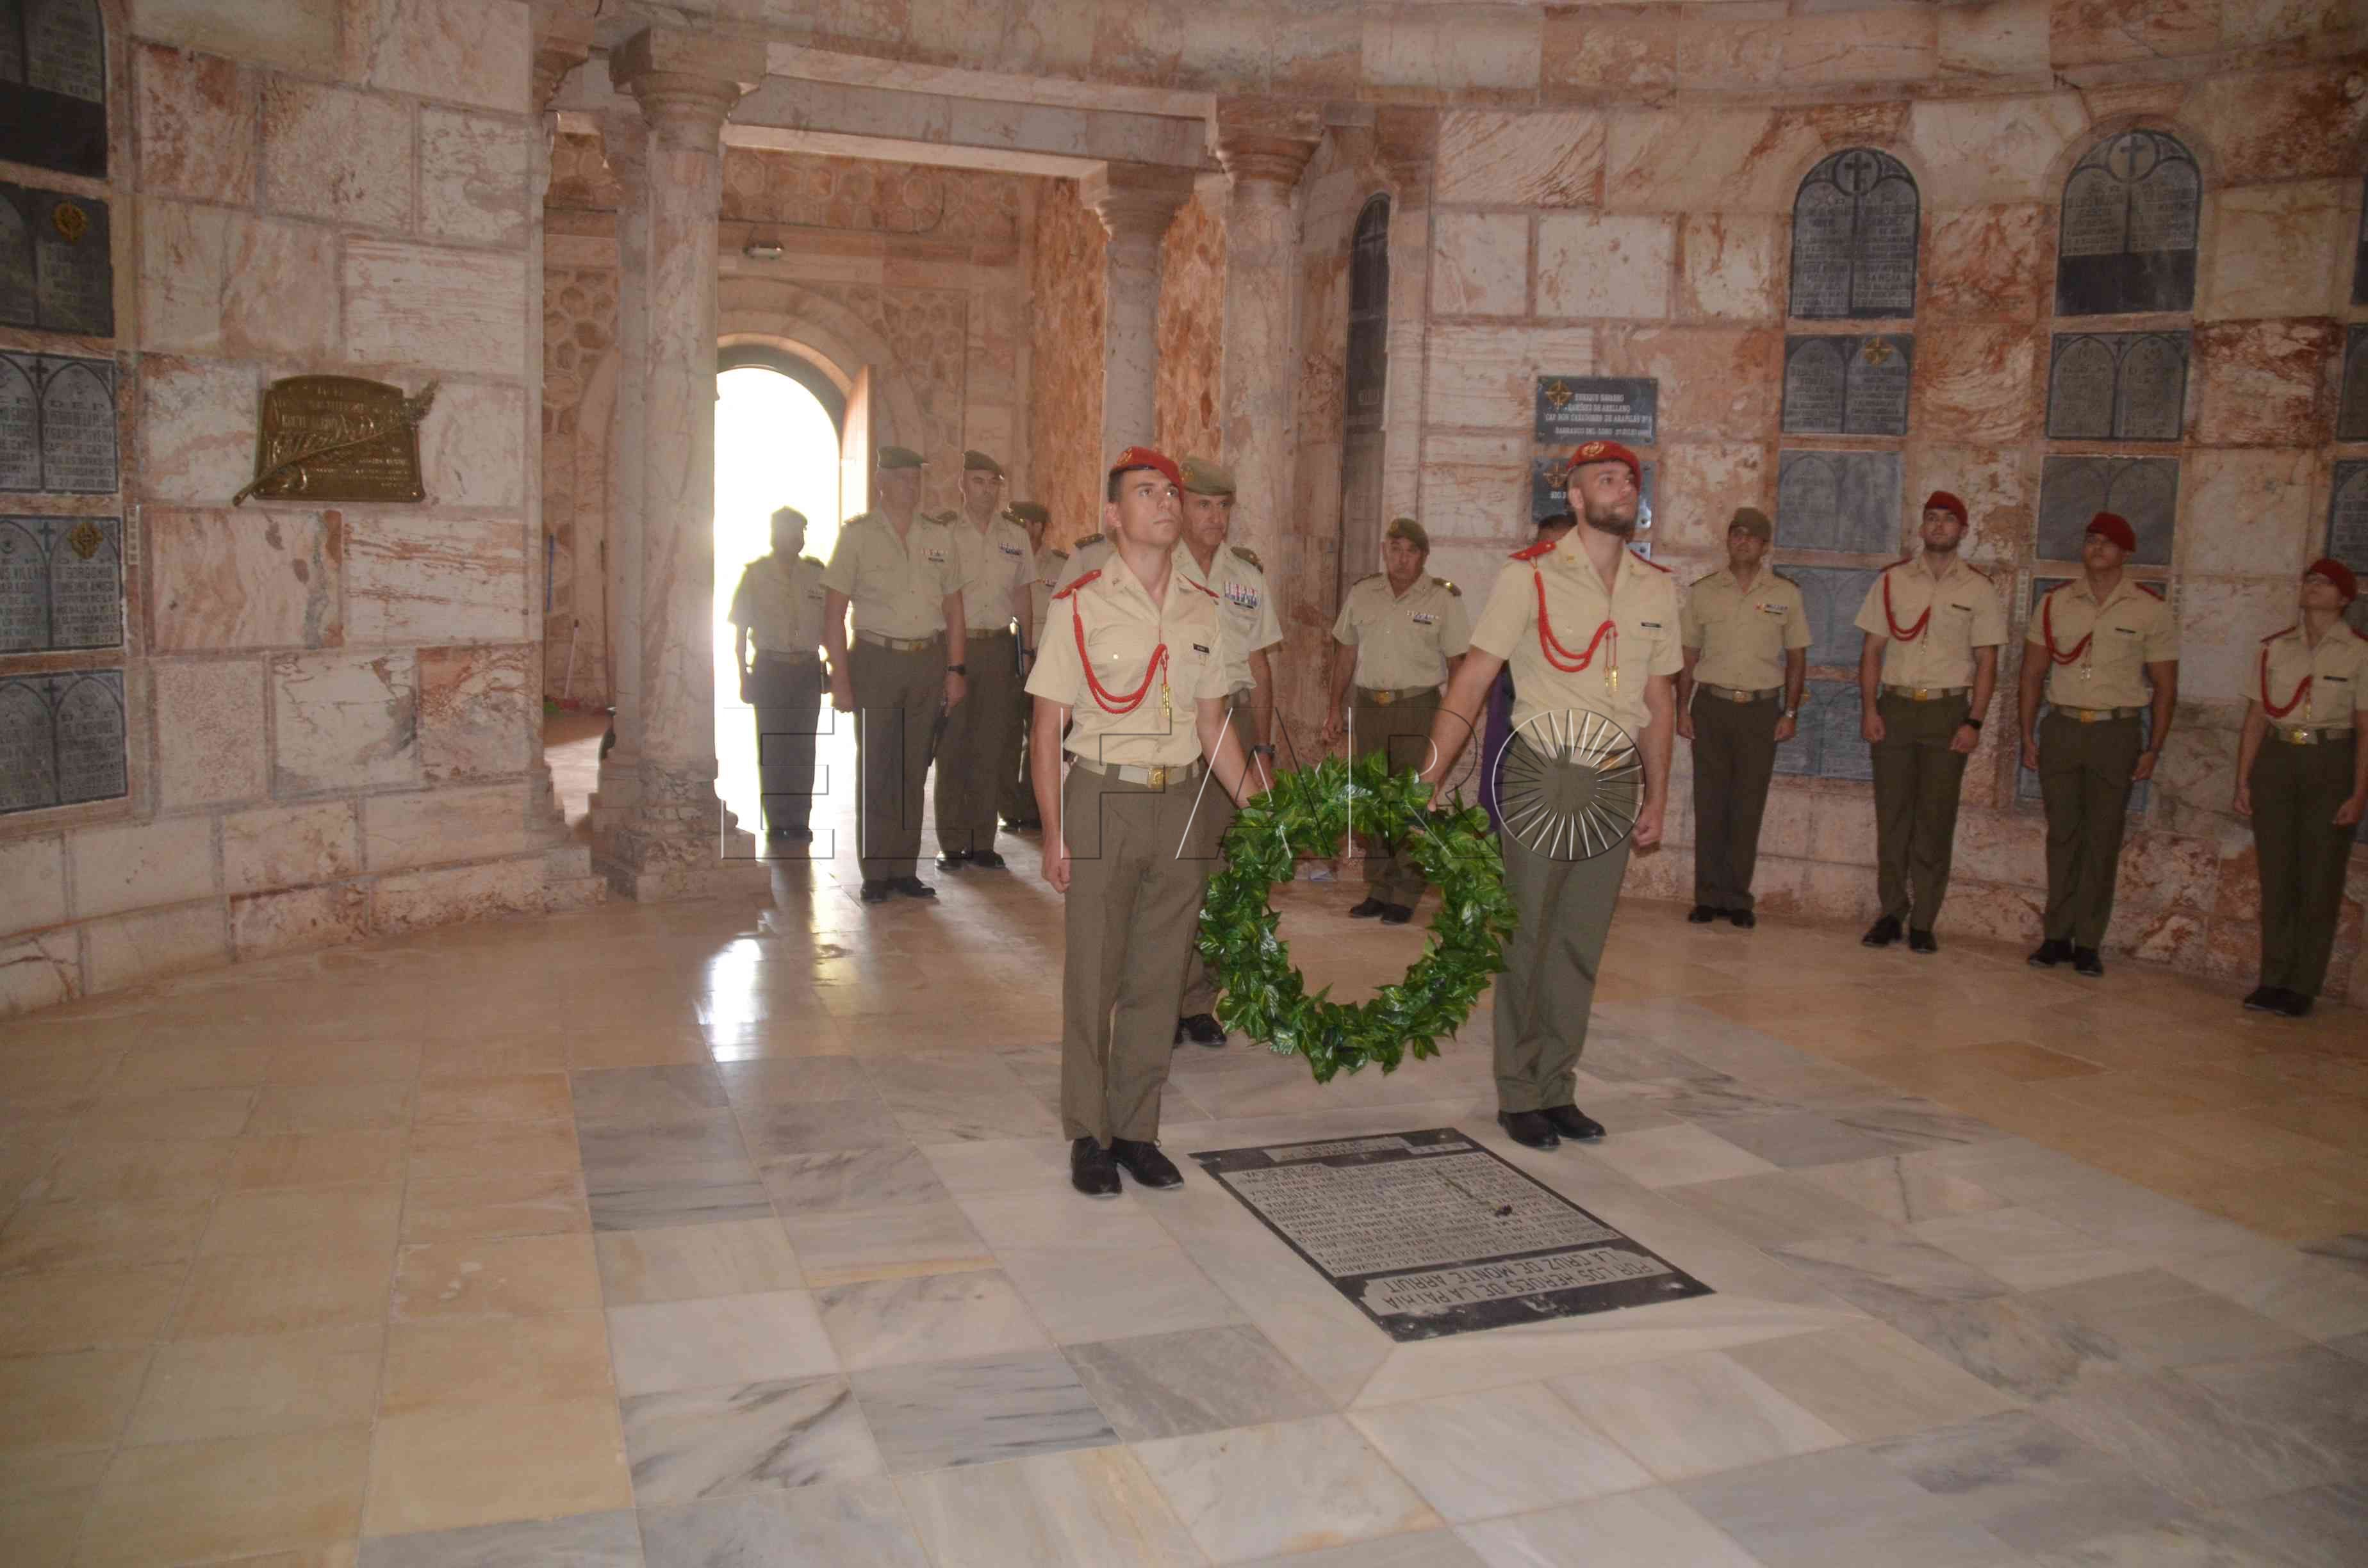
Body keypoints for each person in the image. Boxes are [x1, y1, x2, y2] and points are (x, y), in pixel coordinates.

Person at [1419, 440, 1679, 1150]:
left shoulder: (1656, 588)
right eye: (1605, 478)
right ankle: (1518, 1091)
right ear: (1574, 496)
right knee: (1527, 936)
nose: (1621, 487)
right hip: (1544, 773)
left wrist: (1657, 795)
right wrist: (1430, 774)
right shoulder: (1527, 576)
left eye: (1629, 479)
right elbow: (1473, 679)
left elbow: (1660, 698)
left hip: (1613, 781)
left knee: (1579, 942)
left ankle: (1557, 1085)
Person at [1027, 446, 1263, 1196]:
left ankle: (1136, 1128)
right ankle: (1089, 1134)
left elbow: (1213, 724)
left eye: (1171, 492)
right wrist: (1054, 831)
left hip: (1182, 800)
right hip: (1103, 794)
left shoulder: (1206, 607)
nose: (1165, 502)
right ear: (1113, 515)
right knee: (1094, 976)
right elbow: (1045, 727)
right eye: (1146, 492)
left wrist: (1263, 807)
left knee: (1159, 977)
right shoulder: (1082, 602)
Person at [2018, 512, 2180, 978]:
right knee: (2063, 836)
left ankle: (2088, 941)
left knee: (2102, 839)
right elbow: (2031, 674)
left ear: (2126, 553)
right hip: (2064, 728)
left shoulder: (2148, 609)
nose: (2097, 549)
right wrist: (2028, 733)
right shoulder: (2055, 604)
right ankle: (2056, 936)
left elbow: (2166, 687)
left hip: (2116, 733)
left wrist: (2154, 747)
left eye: (2108, 543)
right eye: (2091, 540)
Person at [1853, 490, 2005, 954]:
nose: (1939, 527)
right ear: (1921, 528)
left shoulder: (1978, 589)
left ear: (1963, 530)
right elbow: (1873, 651)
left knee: (1935, 820)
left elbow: (1987, 662)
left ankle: (1924, 919)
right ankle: (1891, 912)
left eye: (1948, 520)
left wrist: (1974, 722)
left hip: (1945, 712)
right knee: (1893, 817)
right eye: (1931, 519)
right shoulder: (1893, 582)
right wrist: (1870, 709)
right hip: (1896, 709)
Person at [820, 446, 967, 904]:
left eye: (916, 478)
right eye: (902, 477)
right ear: (881, 481)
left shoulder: (939, 537)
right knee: (878, 766)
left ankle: (905, 868)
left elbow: (954, 608)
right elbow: (833, 614)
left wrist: (956, 670)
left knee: (913, 766)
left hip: (927, 659)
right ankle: (876, 871)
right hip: (876, 659)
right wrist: (840, 680)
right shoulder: (858, 536)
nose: (911, 486)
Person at [1171, 455, 1285, 1048]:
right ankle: (1159, 999)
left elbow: (1261, 665)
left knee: (1223, 870)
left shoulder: (1246, 577)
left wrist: (1263, 747)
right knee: (1173, 869)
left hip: (1233, 721)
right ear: (1180, 506)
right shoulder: (1160, 567)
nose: (1215, 518)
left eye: (1223, 508)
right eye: (1203, 505)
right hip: (1174, 722)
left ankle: (1198, 1001)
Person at [2233, 559, 2367, 1019]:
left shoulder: (2359, 653)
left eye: (2325, 583)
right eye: (2310, 580)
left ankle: (2302, 984)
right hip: (2278, 758)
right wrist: (2244, 779)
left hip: (2330, 761)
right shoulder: (2275, 649)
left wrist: (2359, 793)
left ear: (2345, 598)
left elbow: (2366, 731)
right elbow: (2254, 718)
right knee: (2277, 875)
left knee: (2320, 877)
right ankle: (2272, 979)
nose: (2313, 588)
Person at [1322, 516, 1470, 924]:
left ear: (1423, 556)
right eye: (1395, 549)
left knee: (1412, 801)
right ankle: (1378, 887)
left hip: (1417, 707)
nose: (1402, 559)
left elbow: (1460, 665)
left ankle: (1404, 893)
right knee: (1373, 800)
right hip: (1369, 706)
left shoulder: (1443, 599)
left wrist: (1453, 717)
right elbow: (1346, 654)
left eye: (1411, 552)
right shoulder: (1363, 593)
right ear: (1386, 551)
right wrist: (1334, 708)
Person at [1676, 507, 1808, 929]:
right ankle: (1707, 896)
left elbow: (1797, 658)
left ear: (1765, 545)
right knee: (1710, 804)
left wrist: (1790, 711)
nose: (1743, 542)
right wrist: (1683, 706)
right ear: (1728, 539)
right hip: (1711, 707)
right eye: (1736, 534)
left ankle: (1738, 898)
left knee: (1747, 806)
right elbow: (1688, 654)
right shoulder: (1704, 592)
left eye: (1752, 536)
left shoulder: (1786, 594)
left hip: (1760, 711)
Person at [934, 451, 1036, 871]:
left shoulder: (1016, 536)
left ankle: (982, 841)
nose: (986, 490)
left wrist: (1027, 651)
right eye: (977, 481)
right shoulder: (943, 532)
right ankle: (953, 842)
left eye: (992, 482)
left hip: (998, 647)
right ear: (962, 484)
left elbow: (1023, 596)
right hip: (954, 648)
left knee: (992, 746)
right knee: (953, 745)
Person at [727, 507, 830, 847]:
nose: (795, 538)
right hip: (770, 669)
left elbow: (831, 624)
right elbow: (741, 629)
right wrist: (743, 673)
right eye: (788, 531)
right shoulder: (756, 574)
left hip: (806, 670)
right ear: (774, 535)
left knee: (804, 746)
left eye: (800, 531)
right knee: (773, 745)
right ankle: (776, 819)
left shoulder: (817, 574)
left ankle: (799, 818)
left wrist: (831, 665)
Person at [1480, 510, 1575, 836]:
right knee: (1500, 784)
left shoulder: (1591, 600)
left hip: (1564, 714)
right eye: (1543, 546)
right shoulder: (1519, 585)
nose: (1551, 555)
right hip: (1511, 699)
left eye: (1561, 546)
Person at [1001, 502, 1060, 832]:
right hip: (1012, 655)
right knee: (1008, 736)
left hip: (1048, 657)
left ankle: (1034, 804)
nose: (1032, 529)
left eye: (1038, 523)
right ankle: (1009, 808)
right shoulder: (1004, 560)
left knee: (1042, 734)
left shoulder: (1061, 565)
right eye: (1026, 522)